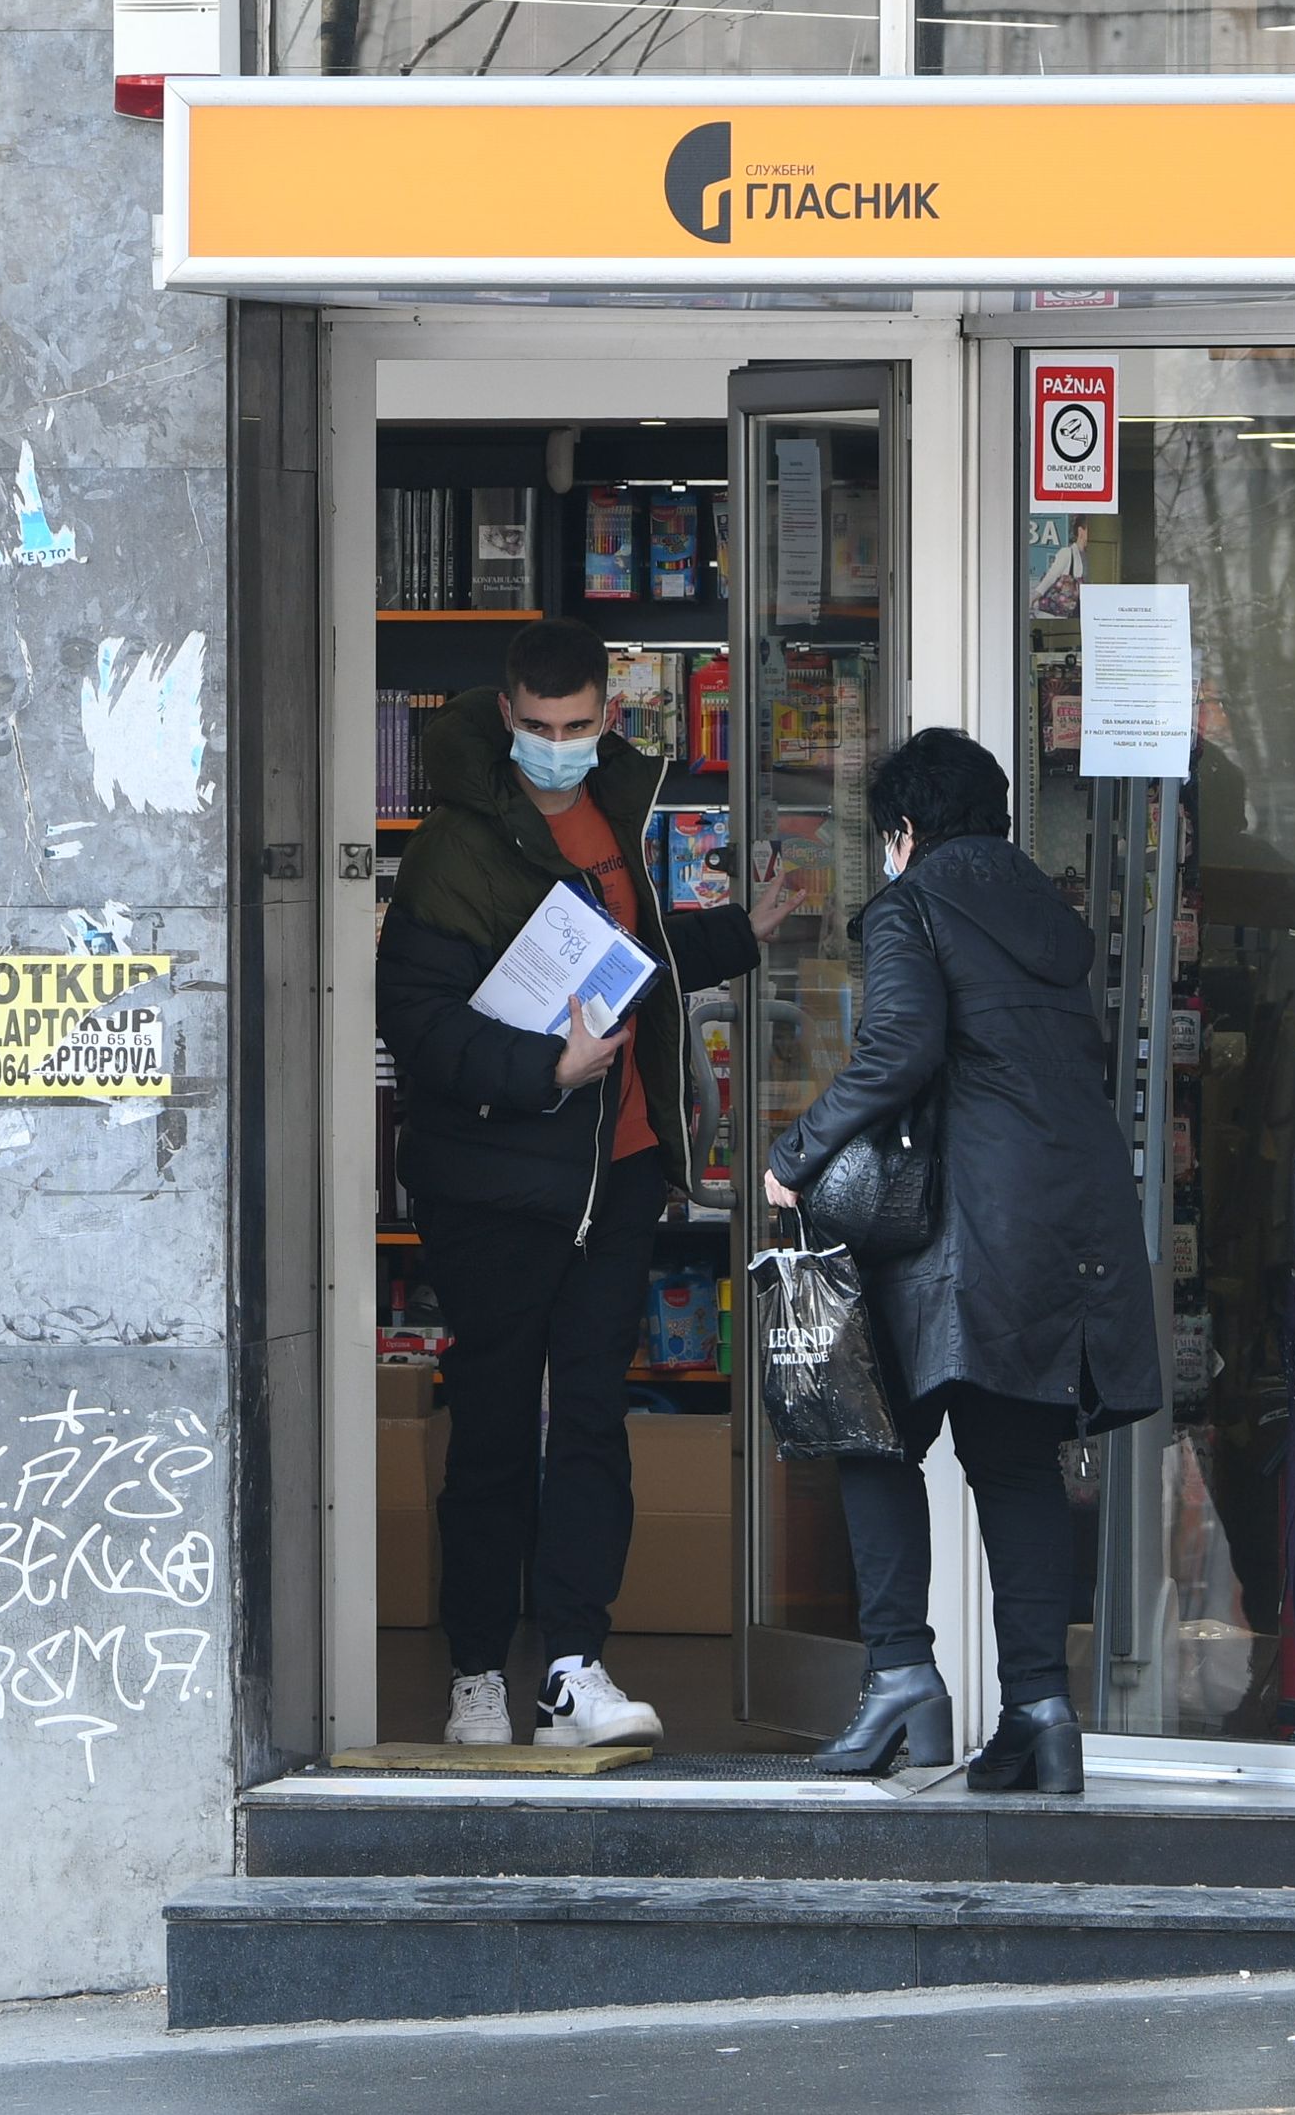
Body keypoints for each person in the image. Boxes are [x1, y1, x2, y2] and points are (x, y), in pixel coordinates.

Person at [376, 618, 795, 1750]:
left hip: (617, 1178)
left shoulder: (619, 812)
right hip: (500, 1189)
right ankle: (476, 1673)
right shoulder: (451, 849)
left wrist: (737, 937)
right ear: (503, 716)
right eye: (536, 727)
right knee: (499, 1434)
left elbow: (629, 952)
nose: (556, 745)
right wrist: (543, 1069)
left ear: (606, 714)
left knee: (594, 1428)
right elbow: (412, 1023)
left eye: (575, 725)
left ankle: (570, 1665)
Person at [761, 728, 1159, 1792]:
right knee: (1015, 1462)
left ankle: (901, 1675)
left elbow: (899, 1047)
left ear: (902, 832)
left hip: (960, 1224)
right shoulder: (1050, 919)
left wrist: (794, 1156)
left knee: (871, 1430)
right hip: (1069, 1219)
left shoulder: (912, 902)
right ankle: (1040, 1709)